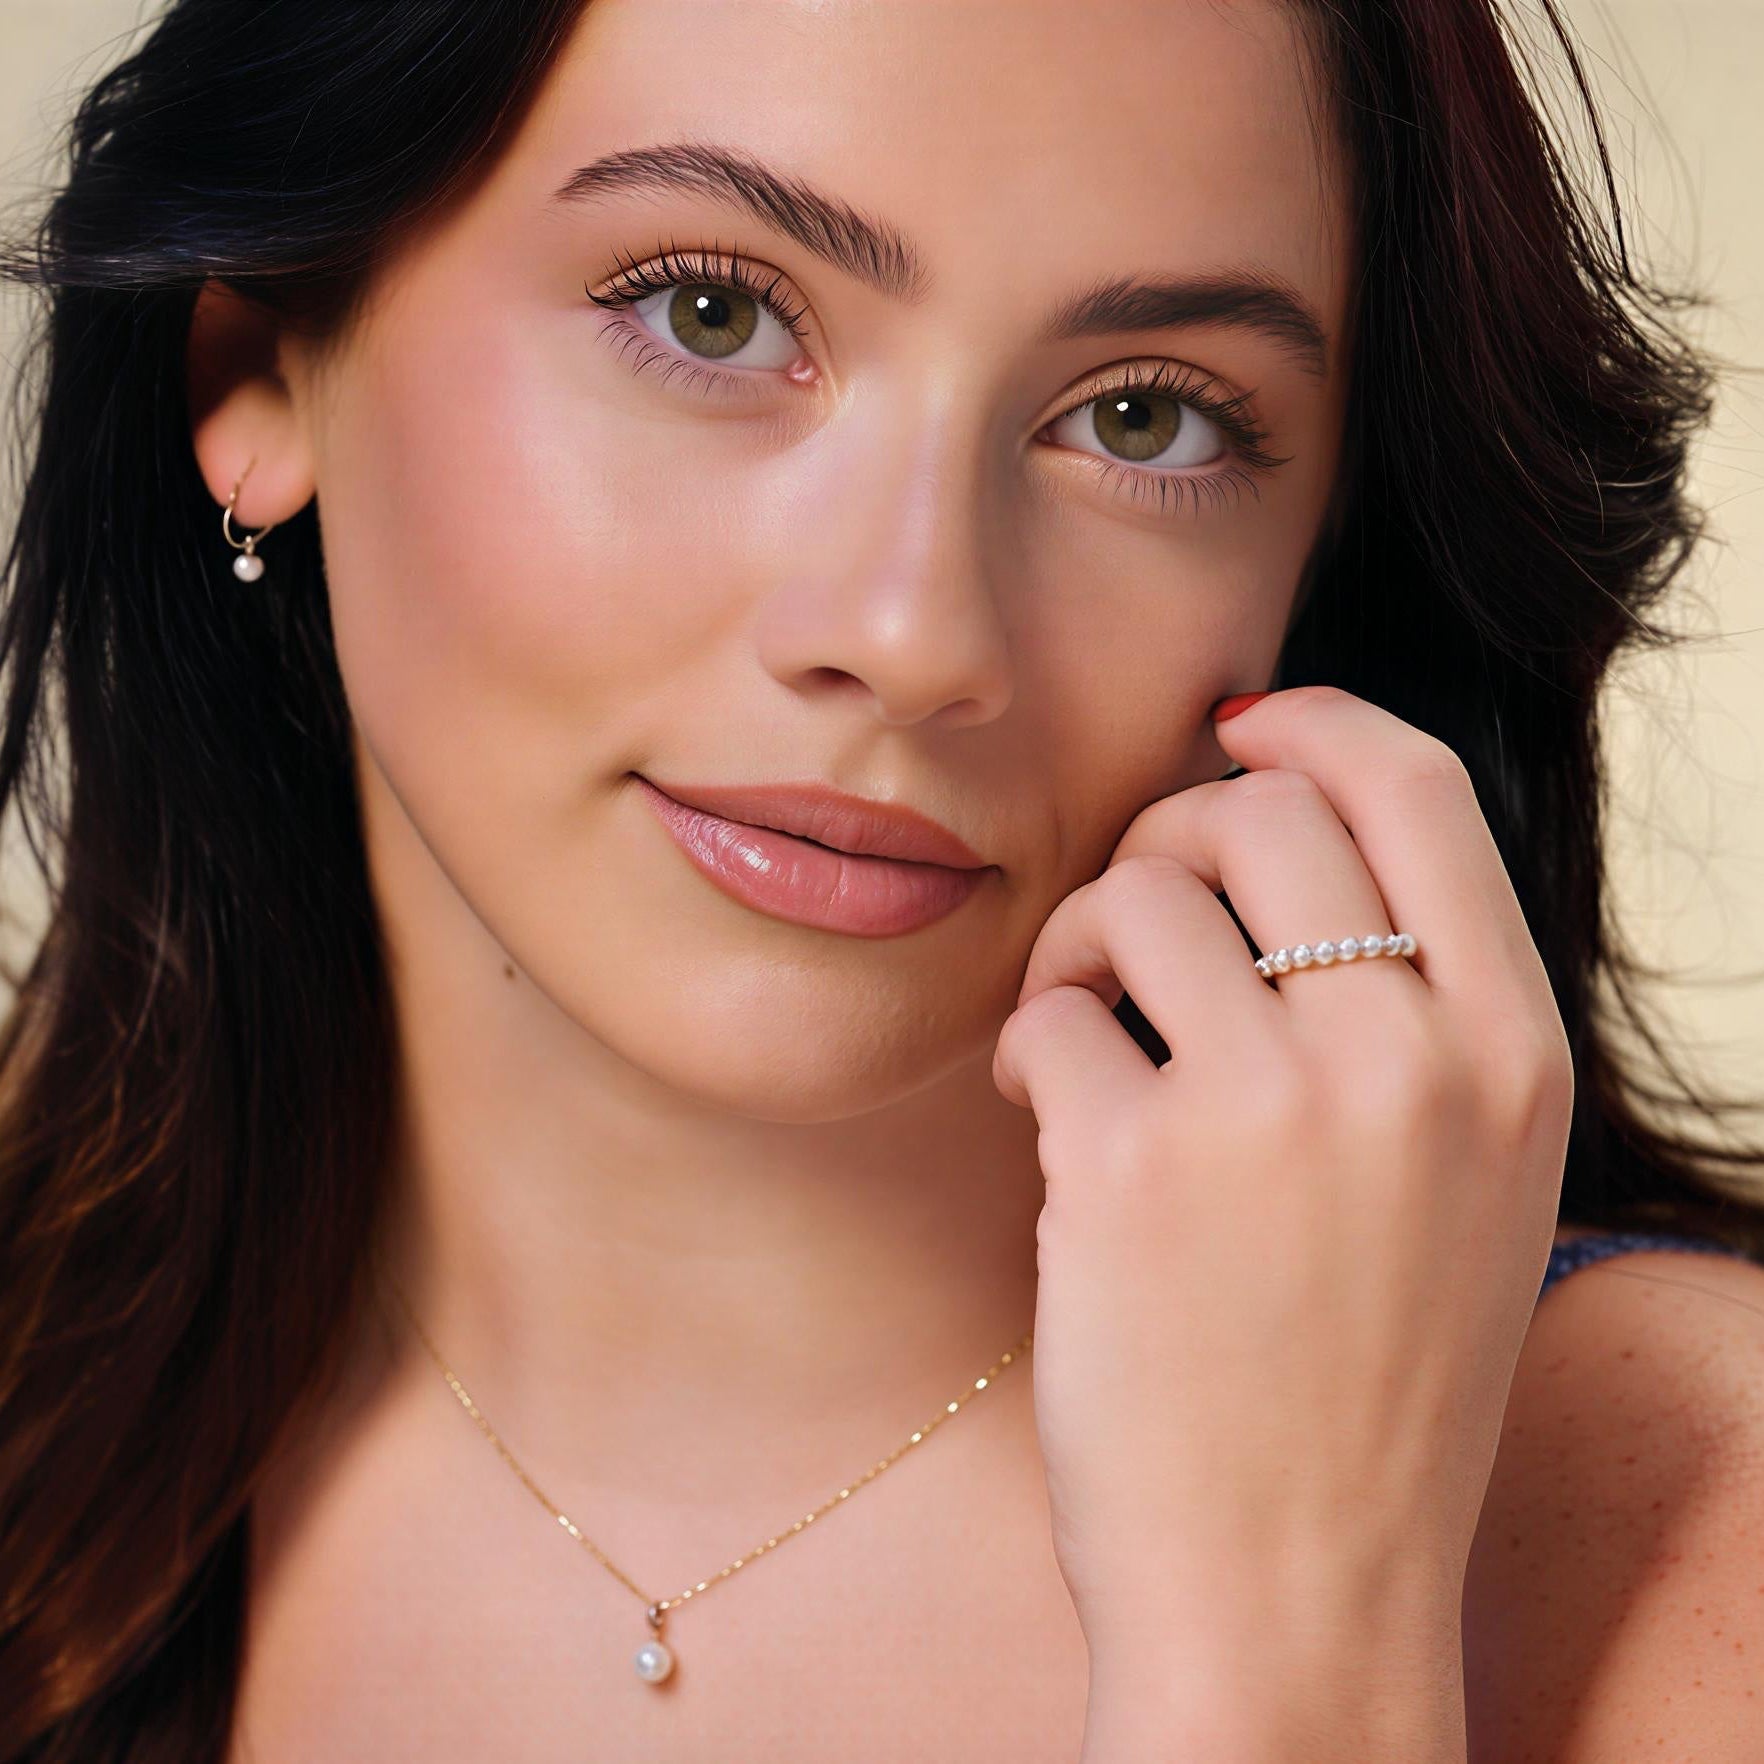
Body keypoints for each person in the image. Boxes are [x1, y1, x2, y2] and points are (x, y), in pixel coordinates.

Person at [0, 0, 1761, 1758]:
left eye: (1146, 420)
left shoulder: (1689, 1525)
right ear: (256, 364)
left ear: (1317, 557)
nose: (917, 631)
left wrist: (1300, 1647)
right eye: (715, 311)